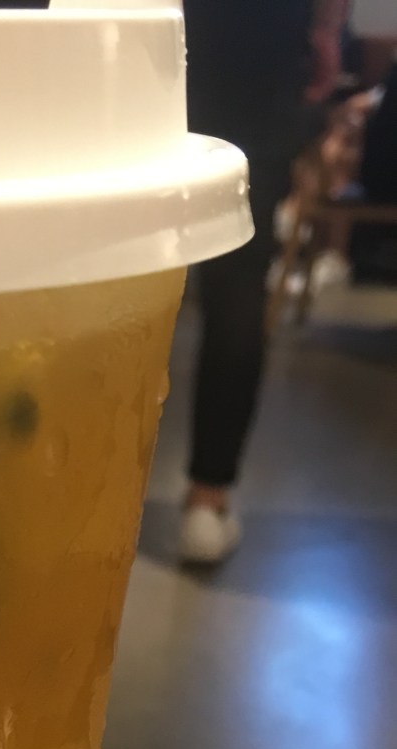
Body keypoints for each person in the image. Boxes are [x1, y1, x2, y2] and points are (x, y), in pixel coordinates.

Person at [179, 0, 346, 564]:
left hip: (162, 45)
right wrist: (325, 29)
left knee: (120, 269)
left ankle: (82, 482)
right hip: (263, 58)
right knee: (237, 286)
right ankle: (206, 501)